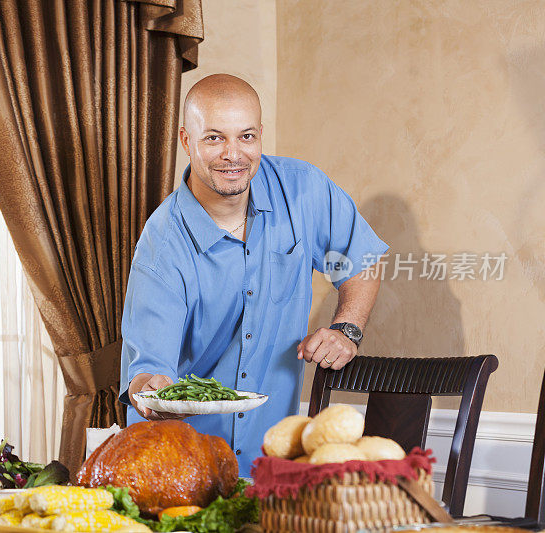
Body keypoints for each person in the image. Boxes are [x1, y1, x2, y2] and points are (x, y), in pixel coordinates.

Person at [118, 73, 388, 475]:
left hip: (271, 460)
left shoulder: (303, 190)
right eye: (214, 138)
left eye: (246, 137)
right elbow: (148, 369)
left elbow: (361, 259)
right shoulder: (162, 242)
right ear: (186, 140)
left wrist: (346, 328)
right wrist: (151, 391)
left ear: (260, 135)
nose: (233, 154)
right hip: (183, 464)